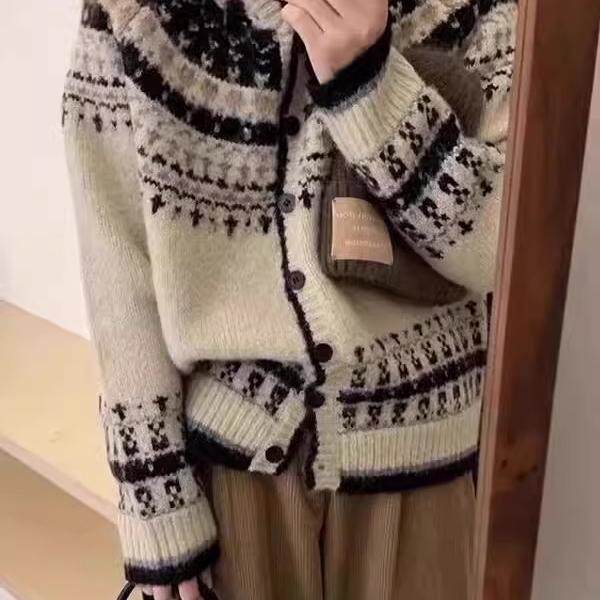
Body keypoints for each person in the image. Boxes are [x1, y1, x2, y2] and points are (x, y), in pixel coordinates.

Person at [62, 0, 517, 598]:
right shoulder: (134, 13)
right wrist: (154, 494)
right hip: (231, 474)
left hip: (425, 458)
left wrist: (369, 87)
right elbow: (118, 267)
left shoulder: (476, 10)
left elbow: (504, 249)